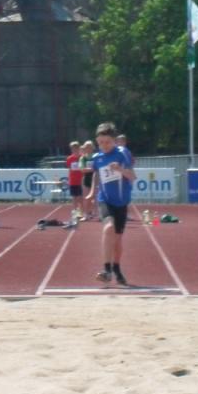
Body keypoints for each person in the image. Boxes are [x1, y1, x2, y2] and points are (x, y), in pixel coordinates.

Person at [87, 122, 136, 285]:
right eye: (100, 142)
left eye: (107, 142)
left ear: (114, 140)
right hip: (105, 199)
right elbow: (96, 175)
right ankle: (106, 270)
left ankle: (117, 268)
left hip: (121, 202)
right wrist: (92, 192)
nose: (104, 145)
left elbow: (132, 177)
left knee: (117, 240)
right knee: (108, 228)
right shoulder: (97, 158)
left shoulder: (122, 154)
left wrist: (120, 170)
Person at [66, 141, 85, 220]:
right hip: (73, 181)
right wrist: (69, 180)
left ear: (78, 148)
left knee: (80, 198)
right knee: (74, 198)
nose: (74, 150)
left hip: (81, 181)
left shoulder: (82, 158)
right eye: (73, 149)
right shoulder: (69, 159)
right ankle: (75, 213)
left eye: (76, 148)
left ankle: (81, 213)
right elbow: (70, 169)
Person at [79, 140, 96, 220]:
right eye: (86, 147)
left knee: (96, 198)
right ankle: (86, 214)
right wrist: (92, 169)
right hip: (87, 179)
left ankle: (96, 214)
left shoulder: (96, 157)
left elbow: (98, 168)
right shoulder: (83, 158)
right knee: (86, 198)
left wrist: (89, 169)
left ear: (92, 148)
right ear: (85, 148)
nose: (88, 149)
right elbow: (82, 170)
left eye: (90, 147)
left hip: (96, 179)